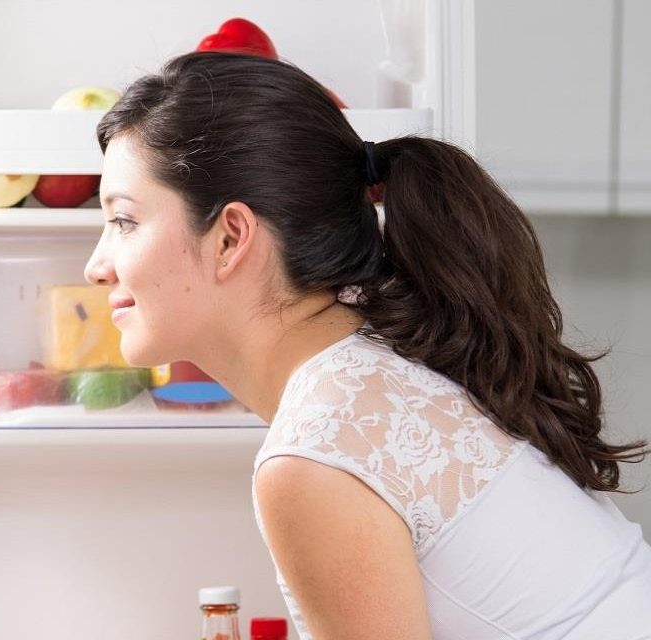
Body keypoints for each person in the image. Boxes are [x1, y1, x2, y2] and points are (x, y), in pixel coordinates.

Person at [83, 51, 651, 639]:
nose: (96, 266)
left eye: (124, 221)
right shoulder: (390, 352)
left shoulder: (314, 456)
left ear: (230, 238)